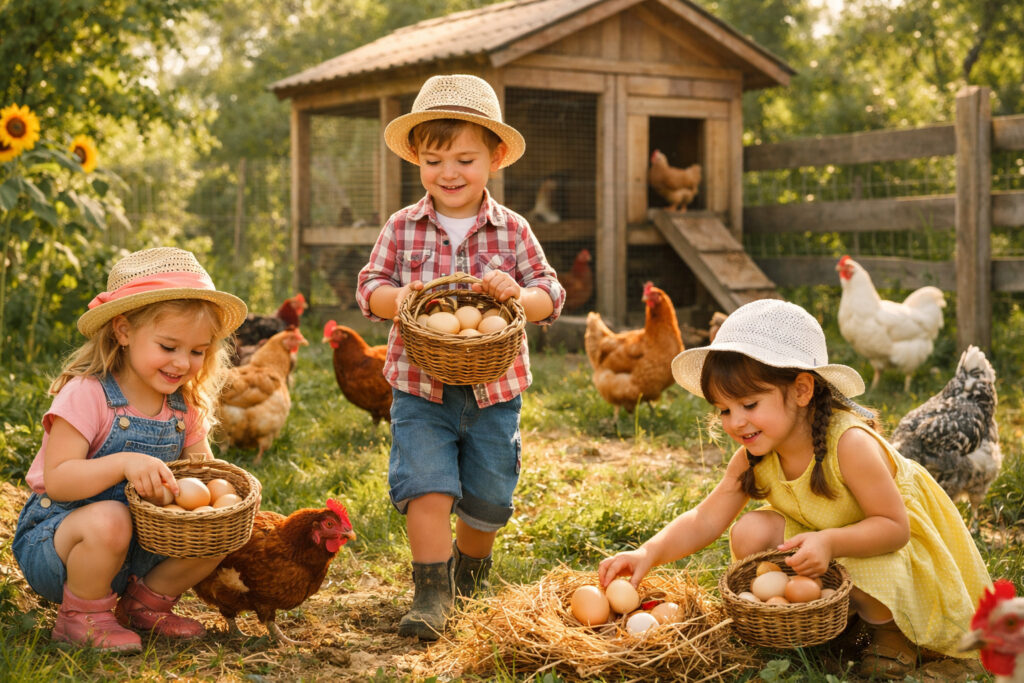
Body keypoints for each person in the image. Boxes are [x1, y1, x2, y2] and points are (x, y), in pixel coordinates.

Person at [598, 299, 991, 679]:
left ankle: (893, 633)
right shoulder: (756, 453)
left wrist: (830, 543)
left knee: (875, 562)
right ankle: (833, 617)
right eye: (724, 409)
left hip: (893, 548)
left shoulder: (849, 445)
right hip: (830, 544)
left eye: (749, 404)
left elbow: (894, 528)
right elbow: (705, 518)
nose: (736, 422)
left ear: (802, 391)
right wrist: (648, 551)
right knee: (749, 531)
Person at [357, 73, 565, 640]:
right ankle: (431, 591)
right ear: (417, 162)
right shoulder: (402, 226)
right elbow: (369, 285)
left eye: (465, 159)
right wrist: (396, 296)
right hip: (418, 389)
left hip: (494, 394)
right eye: (433, 160)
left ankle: (469, 575)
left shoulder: (514, 231)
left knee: (489, 497)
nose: (449, 173)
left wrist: (517, 296)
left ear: (495, 157)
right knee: (425, 484)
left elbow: (551, 293)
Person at [13, 247, 248, 653]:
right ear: (123, 331)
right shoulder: (87, 395)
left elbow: (203, 478)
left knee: (219, 523)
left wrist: (188, 492)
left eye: (197, 351)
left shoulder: (183, 407)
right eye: (169, 346)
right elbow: (60, 479)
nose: (182, 363)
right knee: (111, 517)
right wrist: (123, 463)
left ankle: (145, 605)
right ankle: (79, 618)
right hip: (63, 546)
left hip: (141, 552)